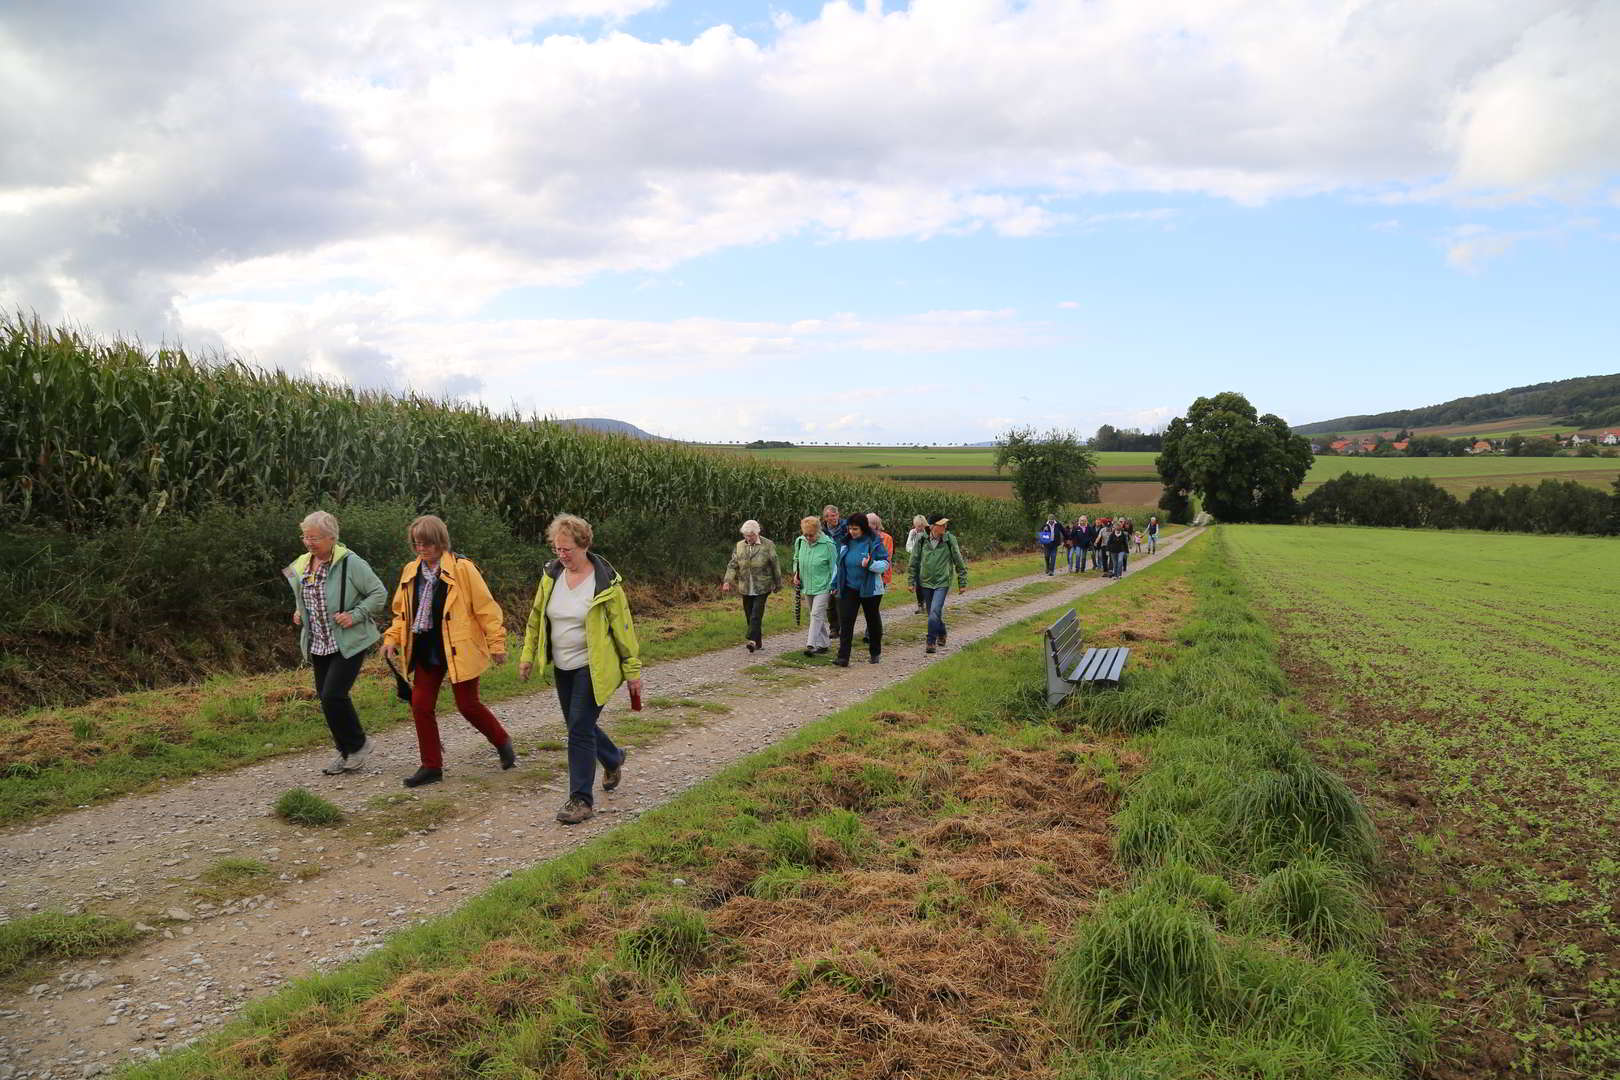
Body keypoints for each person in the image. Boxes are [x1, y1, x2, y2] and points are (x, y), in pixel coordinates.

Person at [519, 513, 644, 825]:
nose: (562, 556)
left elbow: (623, 629)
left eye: (568, 550)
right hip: (563, 665)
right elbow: (536, 618)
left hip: (593, 666)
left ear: (584, 545)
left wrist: (633, 672)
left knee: (577, 728)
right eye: (557, 550)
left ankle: (581, 800)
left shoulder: (606, 584)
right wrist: (527, 655)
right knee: (580, 725)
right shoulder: (551, 576)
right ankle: (613, 758)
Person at [382, 515, 515, 789]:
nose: (421, 550)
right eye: (417, 544)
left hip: (459, 647)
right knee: (420, 705)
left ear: (440, 542)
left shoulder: (463, 569)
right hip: (425, 646)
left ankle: (501, 741)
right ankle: (431, 766)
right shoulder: (410, 571)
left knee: (467, 705)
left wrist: (496, 644)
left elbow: (486, 609)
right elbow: (402, 614)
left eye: (427, 544)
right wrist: (392, 638)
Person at [284, 511, 388, 776]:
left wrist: (355, 615)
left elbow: (379, 593)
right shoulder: (302, 564)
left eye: (314, 538)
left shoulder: (351, 563)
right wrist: (299, 611)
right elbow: (304, 594)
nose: (308, 542)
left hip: (348, 641)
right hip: (318, 641)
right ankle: (346, 753)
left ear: (331, 538)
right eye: (305, 537)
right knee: (326, 698)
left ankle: (359, 745)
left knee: (333, 694)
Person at [832, 514, 889, 667]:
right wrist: (833, 584)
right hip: (849, 587)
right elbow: (839, 566)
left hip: (870, 588)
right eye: (850, 528)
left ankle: (875, 652)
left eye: (855, 529)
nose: (852, 532)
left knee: (872, 620)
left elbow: (885, 564)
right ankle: (843, 657)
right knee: (846, 621)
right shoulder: (846, 543)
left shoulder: (874, 542)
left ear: (863, 528)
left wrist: (870, 564)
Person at [908, 514, 968, 654]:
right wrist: (911, 581)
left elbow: (959, 561)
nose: (944, 527)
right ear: (932, 526)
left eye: (945, 524)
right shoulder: (922, 540)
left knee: (934, 611)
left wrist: (962, 582)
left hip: (942, 582)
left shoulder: (949, 540)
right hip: (926, 582)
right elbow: (914, 562)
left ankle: (930, 642)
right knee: (932, 613)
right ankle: (942, 632)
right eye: (941, 524)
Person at [722, 519, 782, 653]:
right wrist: (727, 581)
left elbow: (775, 564)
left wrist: (778, 583)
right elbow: (733, 564)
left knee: (756, 614)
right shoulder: (739, 546)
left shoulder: (768, 545)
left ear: (757, 533)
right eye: (746, 536)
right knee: (749, 614)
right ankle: (758, 642)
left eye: (751, 536)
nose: (748, 538)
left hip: (762, 585)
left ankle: (752, 640)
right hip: (745, 586)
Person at [791, 515, 838, 656]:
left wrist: (834, 584)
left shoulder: (828, 545)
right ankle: (824, 644)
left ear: (818, 532)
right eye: (805, 535)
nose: (808, 538)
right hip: (807, 585)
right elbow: (796, 559)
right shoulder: (800, 542)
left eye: (810, 535)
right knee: (815, 616)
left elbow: (834, 566)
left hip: (824, 585)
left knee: (816, 614)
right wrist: (796, 573)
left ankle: (811, 643)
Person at [821, 504, 848, 637]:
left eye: (834, 515)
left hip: (843, 566)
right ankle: (833, 628)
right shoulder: (822, 532)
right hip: (828, 568)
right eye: (828, 516)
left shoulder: (846, 529)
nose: (832, 518)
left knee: (840, 600)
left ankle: (844, 628)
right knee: (830, 601)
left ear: (838, 515)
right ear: (824, 518)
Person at [905, 514, 929, 612]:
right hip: (916, 560)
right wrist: (915, 552)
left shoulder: (928, 533)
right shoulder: (912, 532)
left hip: (927, 561)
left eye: (920, 526)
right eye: (917, 526)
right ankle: (920, 605)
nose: (918, 528)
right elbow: (908, 545)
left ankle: (928, 604)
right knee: (918, 583)